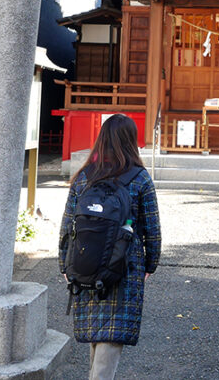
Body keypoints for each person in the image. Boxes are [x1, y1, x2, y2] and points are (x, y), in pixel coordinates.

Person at [59, 114, 161, 380]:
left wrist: (64, 263)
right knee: (111, 335)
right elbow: (152, 228)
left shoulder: (84, 176)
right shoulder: (140, 179)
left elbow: (68, 224)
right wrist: (150, 263)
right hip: (124, 265)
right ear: (131, 141)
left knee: (98, 332)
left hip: (85, 262)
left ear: (101, 139)